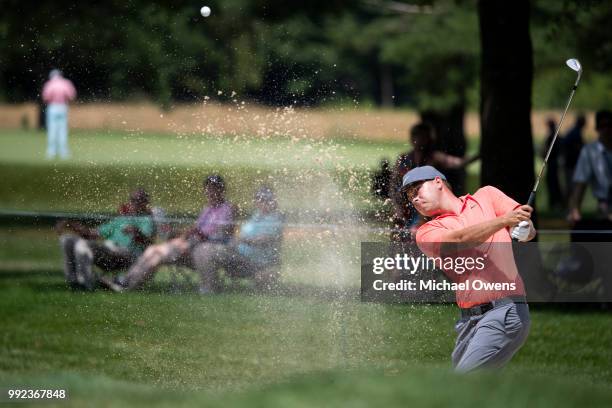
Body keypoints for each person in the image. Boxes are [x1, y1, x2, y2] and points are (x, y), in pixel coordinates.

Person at [402, 166, 534, 372]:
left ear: (438, 182)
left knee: (464, 384)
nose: (415, 199)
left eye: (416, 190)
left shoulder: (487, 196)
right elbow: (461, 239)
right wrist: (504, 221)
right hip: (469, 321)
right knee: (471, 391)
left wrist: (525, 229)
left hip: (504, 311)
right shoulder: (426, 232)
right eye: (410, 197)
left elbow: (523, 223)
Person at [109, 175, 234, 290]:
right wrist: (178, 233)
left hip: (204, 249)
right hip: (191, 244)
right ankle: (126, 280)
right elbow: (195, 229)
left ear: (221, 190)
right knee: (152, 250)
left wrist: (189, 236)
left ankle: (128, 284)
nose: (210, 192)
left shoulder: (226, 209)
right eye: (208, 189)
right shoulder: (207, 209)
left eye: (214, 189)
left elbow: (217, 233)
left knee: (157, 255)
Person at [390, 123, 478, 242]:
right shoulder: (404, 159)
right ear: (412, 138)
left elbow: (458, 163)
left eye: (423, 137)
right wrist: (398, 208)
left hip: (427, 204)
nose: (420, 140)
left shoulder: (435, 157)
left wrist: (480, 155)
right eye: (417, 136)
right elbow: (394, 185)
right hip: (407, 203)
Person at [57, 188, 155, 290]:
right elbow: (90, 234)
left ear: (145, 203)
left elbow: (148, 242)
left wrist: (137, 232)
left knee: (83, 245)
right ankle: (73, 281)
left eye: (139, 200)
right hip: (108, 252)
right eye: (132, 199)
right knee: (67, 240)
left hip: (127, 255)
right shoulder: (120, 219)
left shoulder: (146, 220)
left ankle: (85, 284)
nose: (134, 202)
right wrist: (70, 224)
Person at [193, 186, 284, 293]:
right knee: (201, 250)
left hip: (254, 261)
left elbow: (264, 239)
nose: (263, 203)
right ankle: (206, 286)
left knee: (208, 251)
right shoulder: (256, 216)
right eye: (259, 199)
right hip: (239, 254)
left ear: (273, 201)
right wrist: (238, 240)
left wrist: (242, 239)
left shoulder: (275, 219)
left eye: (266, 200)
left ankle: (210, 288)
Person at [568, 110, 612, 224]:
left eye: (609, 125)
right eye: (603, 126)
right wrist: (575, 209)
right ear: (597, 128)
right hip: (604, 206)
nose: (607, 129)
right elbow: (580, 183)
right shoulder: (589, 151)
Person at [42, 69, 77, 159]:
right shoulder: (66, 83)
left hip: (53, 107)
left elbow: (45, 97)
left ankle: (51, 152)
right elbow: (71, 96)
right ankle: (63, 152)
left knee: (52, 130)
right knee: (63, 130)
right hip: (63, 107)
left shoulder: (49, 84)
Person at [562, 114, 586, 198]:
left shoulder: (573, 131)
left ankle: (566, 204)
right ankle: (567, 205)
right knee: (571, 186)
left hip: (570, 162)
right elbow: (579, 147)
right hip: (571, 163)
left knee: (570, 185)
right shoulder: (576, 133)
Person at [543, 117, 564, 210]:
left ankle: (555, 203)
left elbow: (546, 152)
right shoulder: (557, 136)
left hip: (552, 164)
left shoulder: (552, 137)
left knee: (552, 183)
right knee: (554, 183)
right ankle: (556, 203)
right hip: (553, 163)